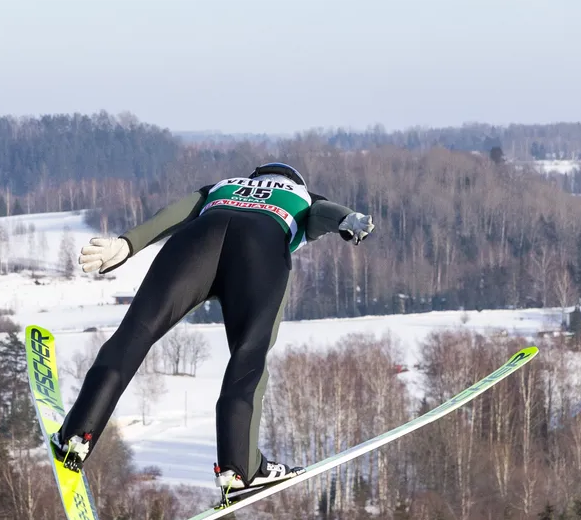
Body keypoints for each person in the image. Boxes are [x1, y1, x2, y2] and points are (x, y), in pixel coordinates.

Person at [52, 162, 374, 496]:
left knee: (137, 331)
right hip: (261, 249)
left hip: (195, 242)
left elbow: (171, 215)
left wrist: (126, 244)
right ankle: (239, 468)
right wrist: (347, 220)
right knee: (248, 356)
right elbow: (325, 213)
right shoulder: (302, 196)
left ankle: (78, 433)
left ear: (255, 177)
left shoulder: (222, 187)